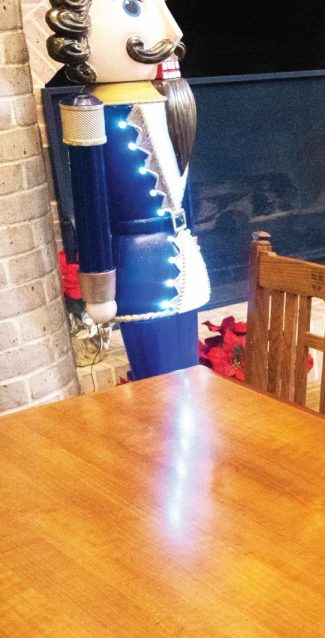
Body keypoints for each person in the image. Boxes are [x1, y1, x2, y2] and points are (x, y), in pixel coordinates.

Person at [45, 0, 210, 379]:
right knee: (159, 382)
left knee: (190, 373)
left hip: (183, 256)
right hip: (141, 270)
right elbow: (91, 209)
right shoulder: (87, 111)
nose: (173, 31)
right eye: (135, 7)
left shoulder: (171, 98)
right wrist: (99, 287)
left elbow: (184, 188)